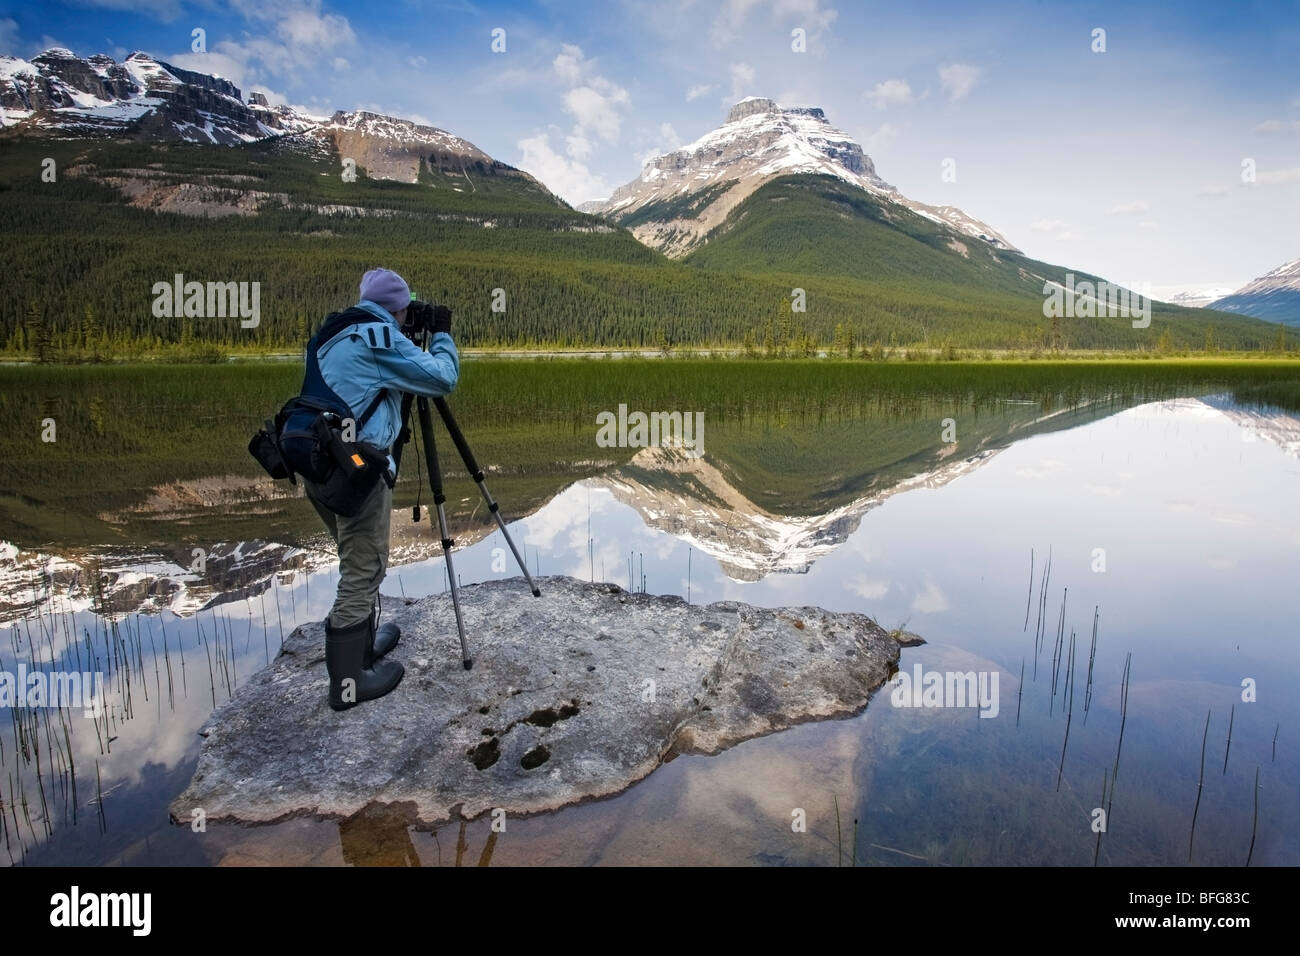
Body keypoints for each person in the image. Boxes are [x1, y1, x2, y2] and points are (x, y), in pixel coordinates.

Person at [304, 267, 458, 710]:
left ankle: (364, 648)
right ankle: (349, 684)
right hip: (357, 471)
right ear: (398, 308)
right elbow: (442, 378)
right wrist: (442, 336)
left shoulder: (332, 334)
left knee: (358, 559)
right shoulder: (378, 339)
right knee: (363, 569)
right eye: (407, 309)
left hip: (319, 466)